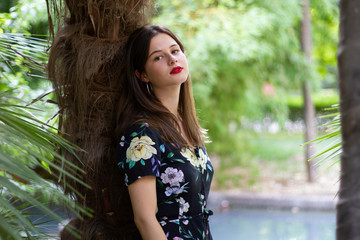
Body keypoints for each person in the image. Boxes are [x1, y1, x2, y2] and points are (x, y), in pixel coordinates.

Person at [116, 25, 214, 240]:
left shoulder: (187, 127)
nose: (172, 59)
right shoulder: (142, 135)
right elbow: (144, 219)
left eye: (175, 51)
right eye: (158, 58)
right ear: (142, 75)